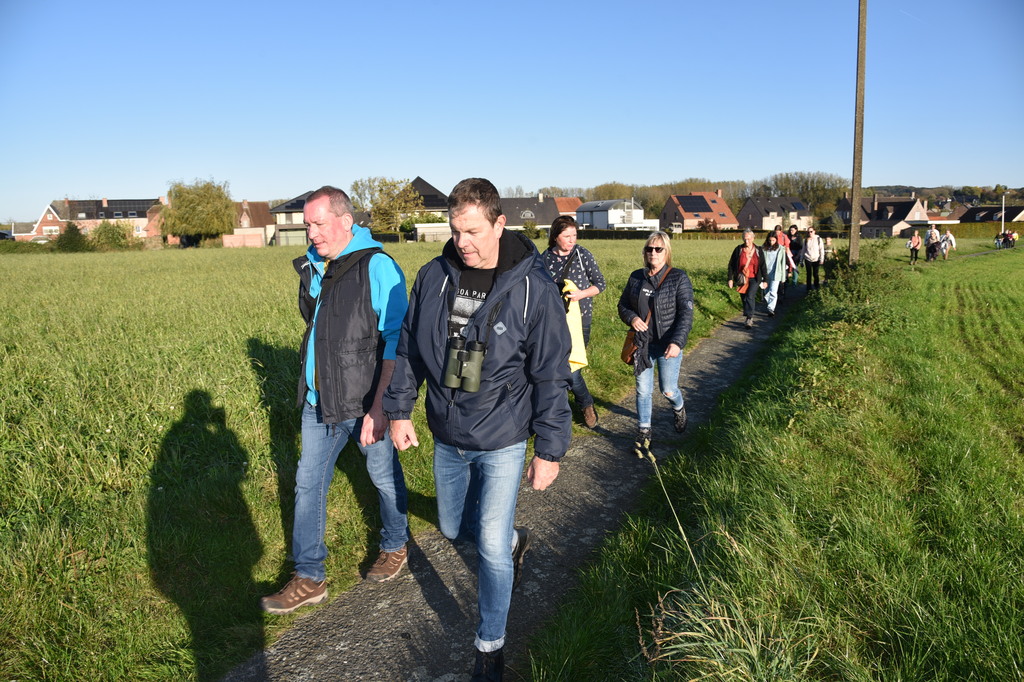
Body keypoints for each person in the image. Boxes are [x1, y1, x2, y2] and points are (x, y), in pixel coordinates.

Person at [384, 178, 571, 680]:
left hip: (504, 437)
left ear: (499, 223)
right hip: (448, 434)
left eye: (472, 231)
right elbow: (409, 351)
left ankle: (489, 646)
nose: (462, 242)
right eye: (455, 231)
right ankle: (512, 540)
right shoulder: (434, 276)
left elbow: (551, 373)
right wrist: (400, 411)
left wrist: (549, 449)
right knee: (451, 527)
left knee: (486, 544)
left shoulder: (534, 288)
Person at [261, 186, 411, 614]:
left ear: (345, 221)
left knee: (383, 478)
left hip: (364, 402)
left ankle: (395, 544)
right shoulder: (315, 266)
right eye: (307, 225)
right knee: (308, 484)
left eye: (318, 223)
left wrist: (381, 407)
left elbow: (396, 340)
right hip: (317, 403)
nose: (311, 233)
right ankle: (310, 576)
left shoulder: (378, 267)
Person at [618, 231, 694, 460]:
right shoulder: (636, 277)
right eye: (649, 249)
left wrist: (677, 343)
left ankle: (679, 408)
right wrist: (631, 318)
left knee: (668, 389)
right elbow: (622, 305)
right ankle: (644, 432)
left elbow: (686, 315)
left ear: (666, 252)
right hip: (643, 344)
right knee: (643, 390)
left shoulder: (678, 278)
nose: (653, 253)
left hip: (668, 345)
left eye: (658, 249)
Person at [542, 215, 606, 428]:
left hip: (580, 321)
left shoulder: (582, 255)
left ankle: (585, 403)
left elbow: (600, 284)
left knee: (571, 368)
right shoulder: (545, 258)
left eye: (574, 235)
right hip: (552, 322)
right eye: (566, 236)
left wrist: (581, 294)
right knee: (555, 368)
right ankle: (557, 413)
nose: (571, 240)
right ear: (555, 236)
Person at [727, 229, 768, 328]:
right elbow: (731, 265)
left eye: (748, 239)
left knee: (750, 296)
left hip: (754, 278)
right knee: (744, 298)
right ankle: (747, 312)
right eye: (745, 239)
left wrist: (766, 280)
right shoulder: (738, 249)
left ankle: (749, 318)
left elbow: (763, 266)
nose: (746, 242)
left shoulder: (758, 250)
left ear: (753, 239)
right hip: (742, 278)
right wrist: (730, 278)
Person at [762, 231, 787, 316]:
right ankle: (769, 304)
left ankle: (771, 309)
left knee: (773, 291)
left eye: (773, 240)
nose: (771, 242)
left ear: (776, 240)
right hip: (765, 273)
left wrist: (783, 277)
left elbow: (783, 263)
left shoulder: (781, 249)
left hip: (776, 273)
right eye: (770, 240)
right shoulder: (764, 248)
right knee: (766, 291)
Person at [802, 227, 825, 291]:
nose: (810, 233)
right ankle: (808, 288)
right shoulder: (806, 240)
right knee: (808, 274)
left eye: (811, 231)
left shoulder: (818, 239)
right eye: (808, 232)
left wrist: (822, 259)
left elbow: (821, 249)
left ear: (814, 231)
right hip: (808, 258)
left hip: (816, 259)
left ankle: (816, 286)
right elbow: (803, 250)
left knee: (815, 273)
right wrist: (801, 260)